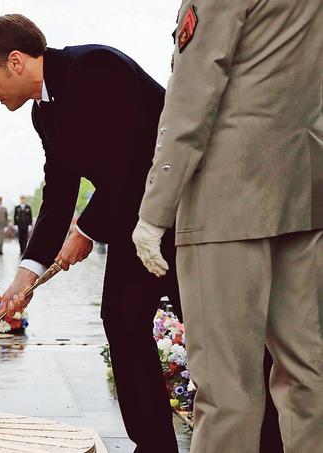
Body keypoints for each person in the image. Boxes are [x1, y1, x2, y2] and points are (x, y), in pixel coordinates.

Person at [0, 15, 181, 452]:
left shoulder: (96, 67)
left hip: (185, 213)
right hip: (133, 221)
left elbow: (138, 156)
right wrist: (26, 274)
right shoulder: (43, 114)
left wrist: (86, 229)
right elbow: (60, 191)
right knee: (121, 318)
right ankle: (154, 446)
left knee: (212, 330)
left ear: (15, 61)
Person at [132, 1, 322, 451]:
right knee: (308, 375)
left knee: (226, 389)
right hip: (304, 189)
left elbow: (193, 95)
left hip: (227, 197)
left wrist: (154, 210)